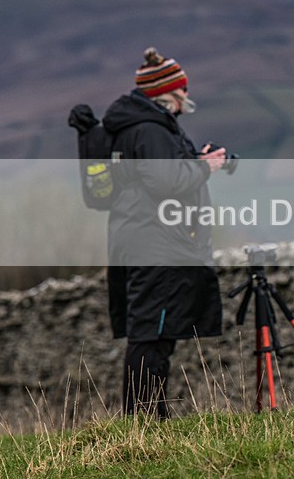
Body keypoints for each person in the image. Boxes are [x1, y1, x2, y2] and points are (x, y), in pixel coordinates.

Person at [103, 47, 226, 419]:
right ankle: (144, 418)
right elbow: (163, 181)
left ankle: (150, 415)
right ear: (167, 93)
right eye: (182, 91)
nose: (186, 98)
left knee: (156, 332)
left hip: (141, 237)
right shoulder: (150, 128)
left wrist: (195, 161)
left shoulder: (140, 125)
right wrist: (205, 168)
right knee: (151, 334)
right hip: (154, 242)